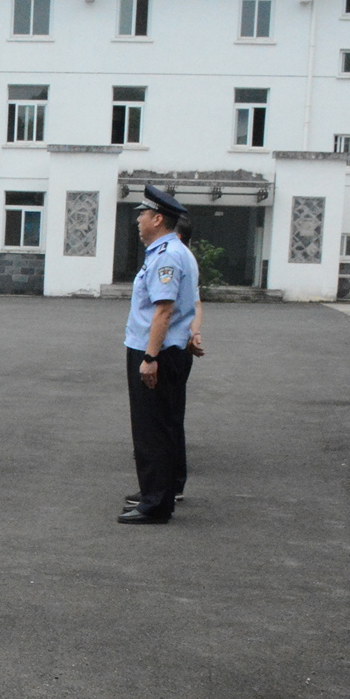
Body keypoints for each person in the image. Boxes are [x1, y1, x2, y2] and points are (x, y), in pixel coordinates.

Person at [120, 184, 200, 525]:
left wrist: (150, 358)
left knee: (152, 427)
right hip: (167, 349)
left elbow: (164, 311)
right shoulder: (168, 250)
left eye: (142, 214)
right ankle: (156, 490)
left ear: (157, 218)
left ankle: (156, 504)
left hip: (158, 352)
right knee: (161, 425)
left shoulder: (167, 255)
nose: (137, 220)